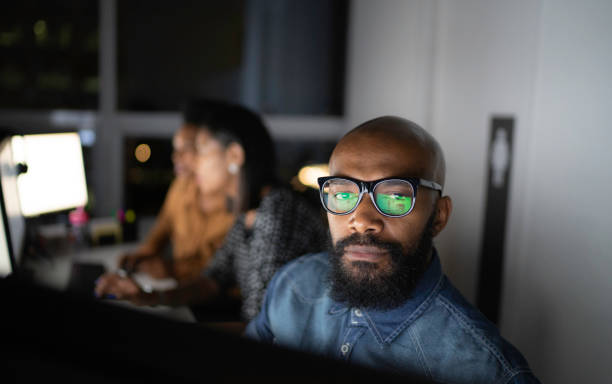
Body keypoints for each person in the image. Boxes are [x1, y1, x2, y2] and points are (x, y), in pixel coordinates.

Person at [245, 116, 540, 383]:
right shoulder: (293, 286)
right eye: (343, 194)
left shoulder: (483, 369)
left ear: (438, 216)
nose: (361, 221)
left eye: (395, 198)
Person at [95, 100, 330, 323]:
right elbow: (212, 280)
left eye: (203, 151)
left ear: (234, 156)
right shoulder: (248, 211)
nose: (196, 163)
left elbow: (261, 327)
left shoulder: (276, 213)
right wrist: (149, 297)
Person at [117, 117, 235, 282]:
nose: (175, 156)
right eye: (175, 149)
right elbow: (161, 230)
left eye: (187, 149)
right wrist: (141, 256)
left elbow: (223, 270)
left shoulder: (235, 206)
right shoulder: (181, 186)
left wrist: (172, 269)